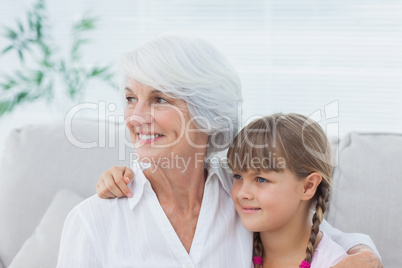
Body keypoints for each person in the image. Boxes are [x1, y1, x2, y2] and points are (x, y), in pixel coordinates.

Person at [58, 33, 382, 267]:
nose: (137, 117)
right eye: (130, 98)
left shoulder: (242, 194)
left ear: (207, 114)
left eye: (160, 99)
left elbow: (319, 235)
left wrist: (364, 256)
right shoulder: (93, 220)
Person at [227, 113, 346, 267]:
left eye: (261, 179)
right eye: (238, 176)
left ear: (308, 186)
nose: (242, 193)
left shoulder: (333, 263)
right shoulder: (233, 247)